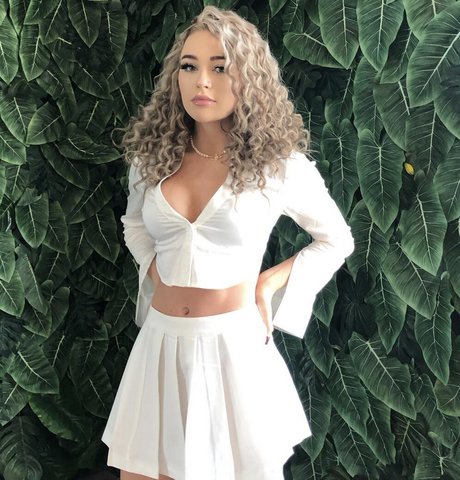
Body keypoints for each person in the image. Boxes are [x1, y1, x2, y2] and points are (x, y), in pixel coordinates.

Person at [102, 5, 354, 480]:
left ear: (248, 78)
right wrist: (156, 271)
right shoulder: (151, 159)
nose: (202, 81)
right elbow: (134, 225)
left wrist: (269, 284)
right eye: (189, 66)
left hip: (232, 352)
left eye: (220, 67)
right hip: (159, 347)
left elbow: (336, 239)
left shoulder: (278, 166)